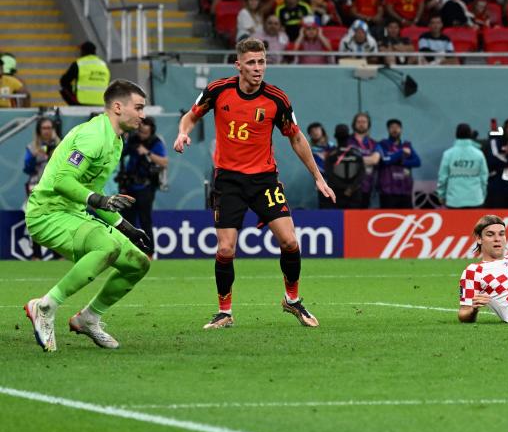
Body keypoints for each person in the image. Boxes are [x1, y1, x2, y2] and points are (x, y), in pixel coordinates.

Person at [173, 38, 335, 330]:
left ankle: (292, 300)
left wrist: (318, 177)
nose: (258, 68)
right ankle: (224, 312)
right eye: (251, 62)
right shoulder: (218, 90)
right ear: (238, 65)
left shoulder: (277, 99)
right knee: (225, 250)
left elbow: (296, 138)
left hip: (264, 180)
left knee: (290, 241)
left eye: (261, 62)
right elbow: (190, 116)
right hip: (229, 180)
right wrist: (183, 133)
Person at [23, 80, 153, 352]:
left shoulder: (115, 140)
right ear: (118, 107)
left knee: (138, 264)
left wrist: (126, 227)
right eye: (139, 108)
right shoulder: (94, 135)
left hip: (72, 213)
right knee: (106, 246)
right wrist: (99, 199)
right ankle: (45, 306)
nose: (143, 115)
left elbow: (93, 191)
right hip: (48, 213)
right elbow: (63, 181)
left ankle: (88, 318)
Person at [118, 116, 168, 251]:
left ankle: (149, 251)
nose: (142, 135)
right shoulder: (133, 139)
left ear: (151, 131)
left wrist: (147, 152)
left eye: (145, 133)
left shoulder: (156, 142)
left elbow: (164, 162)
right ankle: (127, 250)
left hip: (145, 187)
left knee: (145, 220)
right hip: (129, 185)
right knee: (126, 221)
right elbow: (121, 154)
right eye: (140, 132)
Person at [23, 117, 61, 259]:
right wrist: (34, 157)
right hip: (36, 187)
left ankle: (58, 254)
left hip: (55, 188)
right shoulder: (32, 147)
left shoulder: (61, 145)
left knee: (56, 219)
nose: (47, 131)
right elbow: (27, 169)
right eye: (44, 128)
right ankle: (36, 254)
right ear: (39, 130)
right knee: (36, 219)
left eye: (49, 128)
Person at [436, 123, 488, 209]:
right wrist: (483, 195)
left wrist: (441, 195)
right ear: (470, 135)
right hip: (475, 200)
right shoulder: (479, 154)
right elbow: (484, 178)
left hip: (454, 201)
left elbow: (442, 177)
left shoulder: (448, 154)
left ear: (456, 134)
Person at [376, 118, 421, 208]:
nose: (395, 129)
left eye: (397, 127)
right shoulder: (382, 144)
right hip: (388, 192)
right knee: (388, 220)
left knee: (406, 220)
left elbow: (417, 162)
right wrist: (401, 152)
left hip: (405, 191)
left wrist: (402, 162)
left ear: (401, 129)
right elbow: (384, 160)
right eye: (392, 127)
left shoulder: (407, 145)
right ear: (388, 130)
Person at [325, 123, 366, 208]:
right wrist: (350, 189)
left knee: (336, 219)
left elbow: (329, 173)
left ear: (335, 137)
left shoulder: (331, 154)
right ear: (349, 136)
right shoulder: (356, 152)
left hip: (338, 192)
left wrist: (345, 188)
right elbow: (362, 173)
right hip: (350, 192)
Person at [347, 111, 381, 208]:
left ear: (368, 124)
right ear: (354, 124)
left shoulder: (374, 143)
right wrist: (367, 159)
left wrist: (354, 159)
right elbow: (342, 160)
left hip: (367, 186)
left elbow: (375, 160)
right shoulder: (347, 141)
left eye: (364, 122)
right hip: (349, 187)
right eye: (359, 121)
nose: (361, 124)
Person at [59, 41, 110, 106]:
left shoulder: (79, 64)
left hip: (81, 102)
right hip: (101, 102)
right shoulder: (103, 65)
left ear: (83, 51)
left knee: (64, 86)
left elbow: (63, 81)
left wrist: (73, 94)